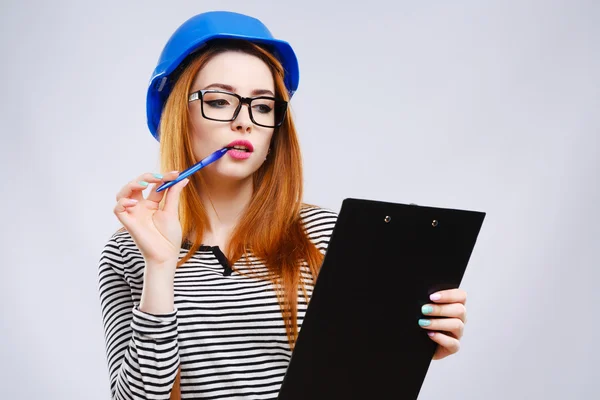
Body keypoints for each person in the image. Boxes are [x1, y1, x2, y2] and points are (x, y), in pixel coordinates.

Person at [98, 10, 468, 400]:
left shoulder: (330, 235)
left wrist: (413, 344)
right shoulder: (126, 253)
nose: (244, 121)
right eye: (221, 101)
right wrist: (159, 265)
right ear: (178, 113)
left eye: (262, 106)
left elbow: (361, 378)